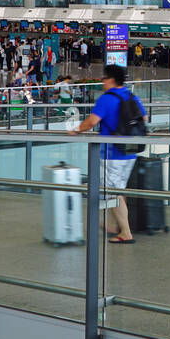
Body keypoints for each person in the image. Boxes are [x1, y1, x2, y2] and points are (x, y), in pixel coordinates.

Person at [68, 64, 144, 244]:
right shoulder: (131, 96)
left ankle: (125, 232)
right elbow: (144, 118)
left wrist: (76, 130)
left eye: (103, 78)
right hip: (130, 152)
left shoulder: (106, 99)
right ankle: (112, 226)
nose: (102, 81)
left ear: (110, 79)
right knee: (117, 190)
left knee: (113, 193)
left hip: (112, 154)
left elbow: (92, 121)